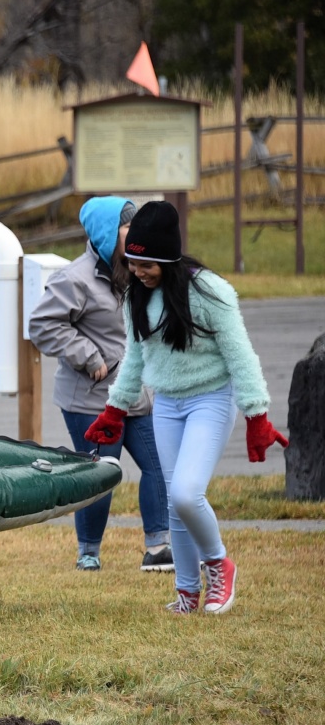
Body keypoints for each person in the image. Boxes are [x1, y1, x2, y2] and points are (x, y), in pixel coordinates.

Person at [85, 200, 288, 615]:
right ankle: (187, 592)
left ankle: (219, 564)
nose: (138, 273)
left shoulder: (210, 292)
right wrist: (115, 410)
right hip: (167, 404)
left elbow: (240, 355)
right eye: (132, 263)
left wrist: (257, 415)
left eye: (147, 265)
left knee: (185, 492)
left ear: (168, 258)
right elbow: (136, 360)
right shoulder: (135, 299)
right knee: (175, 504)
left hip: (210, 399)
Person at [29, 196, 172, 573]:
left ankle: (158, 548)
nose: (137, 235)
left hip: (137, 396)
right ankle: (88, 553)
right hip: (90, 401)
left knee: (159, 465)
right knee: (102, 473)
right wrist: (89, 356)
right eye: (129, 227)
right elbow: (42, 326)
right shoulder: (73, 279)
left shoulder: (140, 270)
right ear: (109, 233)